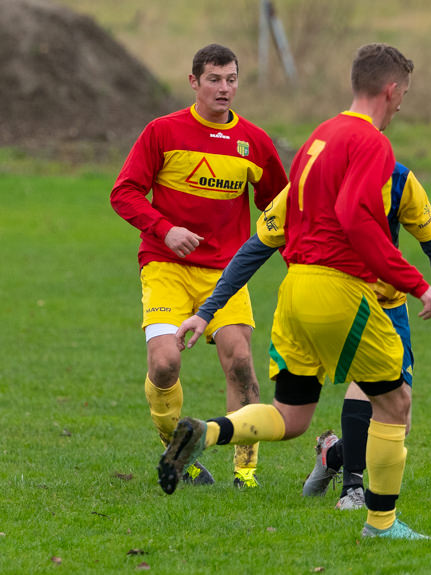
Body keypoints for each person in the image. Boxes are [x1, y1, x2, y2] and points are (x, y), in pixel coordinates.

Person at [159, 43, 431, 540]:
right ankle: (380, 523)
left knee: (290, 416)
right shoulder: (373, 143)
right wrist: (417, 284)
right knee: (395, 401)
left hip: (294, 289)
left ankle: (206, 432)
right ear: (391, 90)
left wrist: (206, 311)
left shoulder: (323, 135)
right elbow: (358, 218)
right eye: (404, 95)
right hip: (337, 289)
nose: (401, 103)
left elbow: (272, 229)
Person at [110, 43, 287, 489]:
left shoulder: (256, 143)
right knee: (165, 363)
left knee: (242, 361)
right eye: (214, 79)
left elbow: (282, 211)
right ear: (194, 82)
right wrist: (164, 228)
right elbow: (124, 192)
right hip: (165, 265)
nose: (224, 88)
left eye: (231, 79)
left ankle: (245, 473)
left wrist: (302, 260)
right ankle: (180, 454)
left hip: (227, 274)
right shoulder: (162, 133)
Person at [301, 162, 431, 511]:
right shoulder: (319, 171)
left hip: (390, 302)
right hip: (342, 299)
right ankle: (353, 489)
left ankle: (333, 454)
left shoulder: (399, 179)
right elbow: (264, 241)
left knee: (398, 416)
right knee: (371, 382)